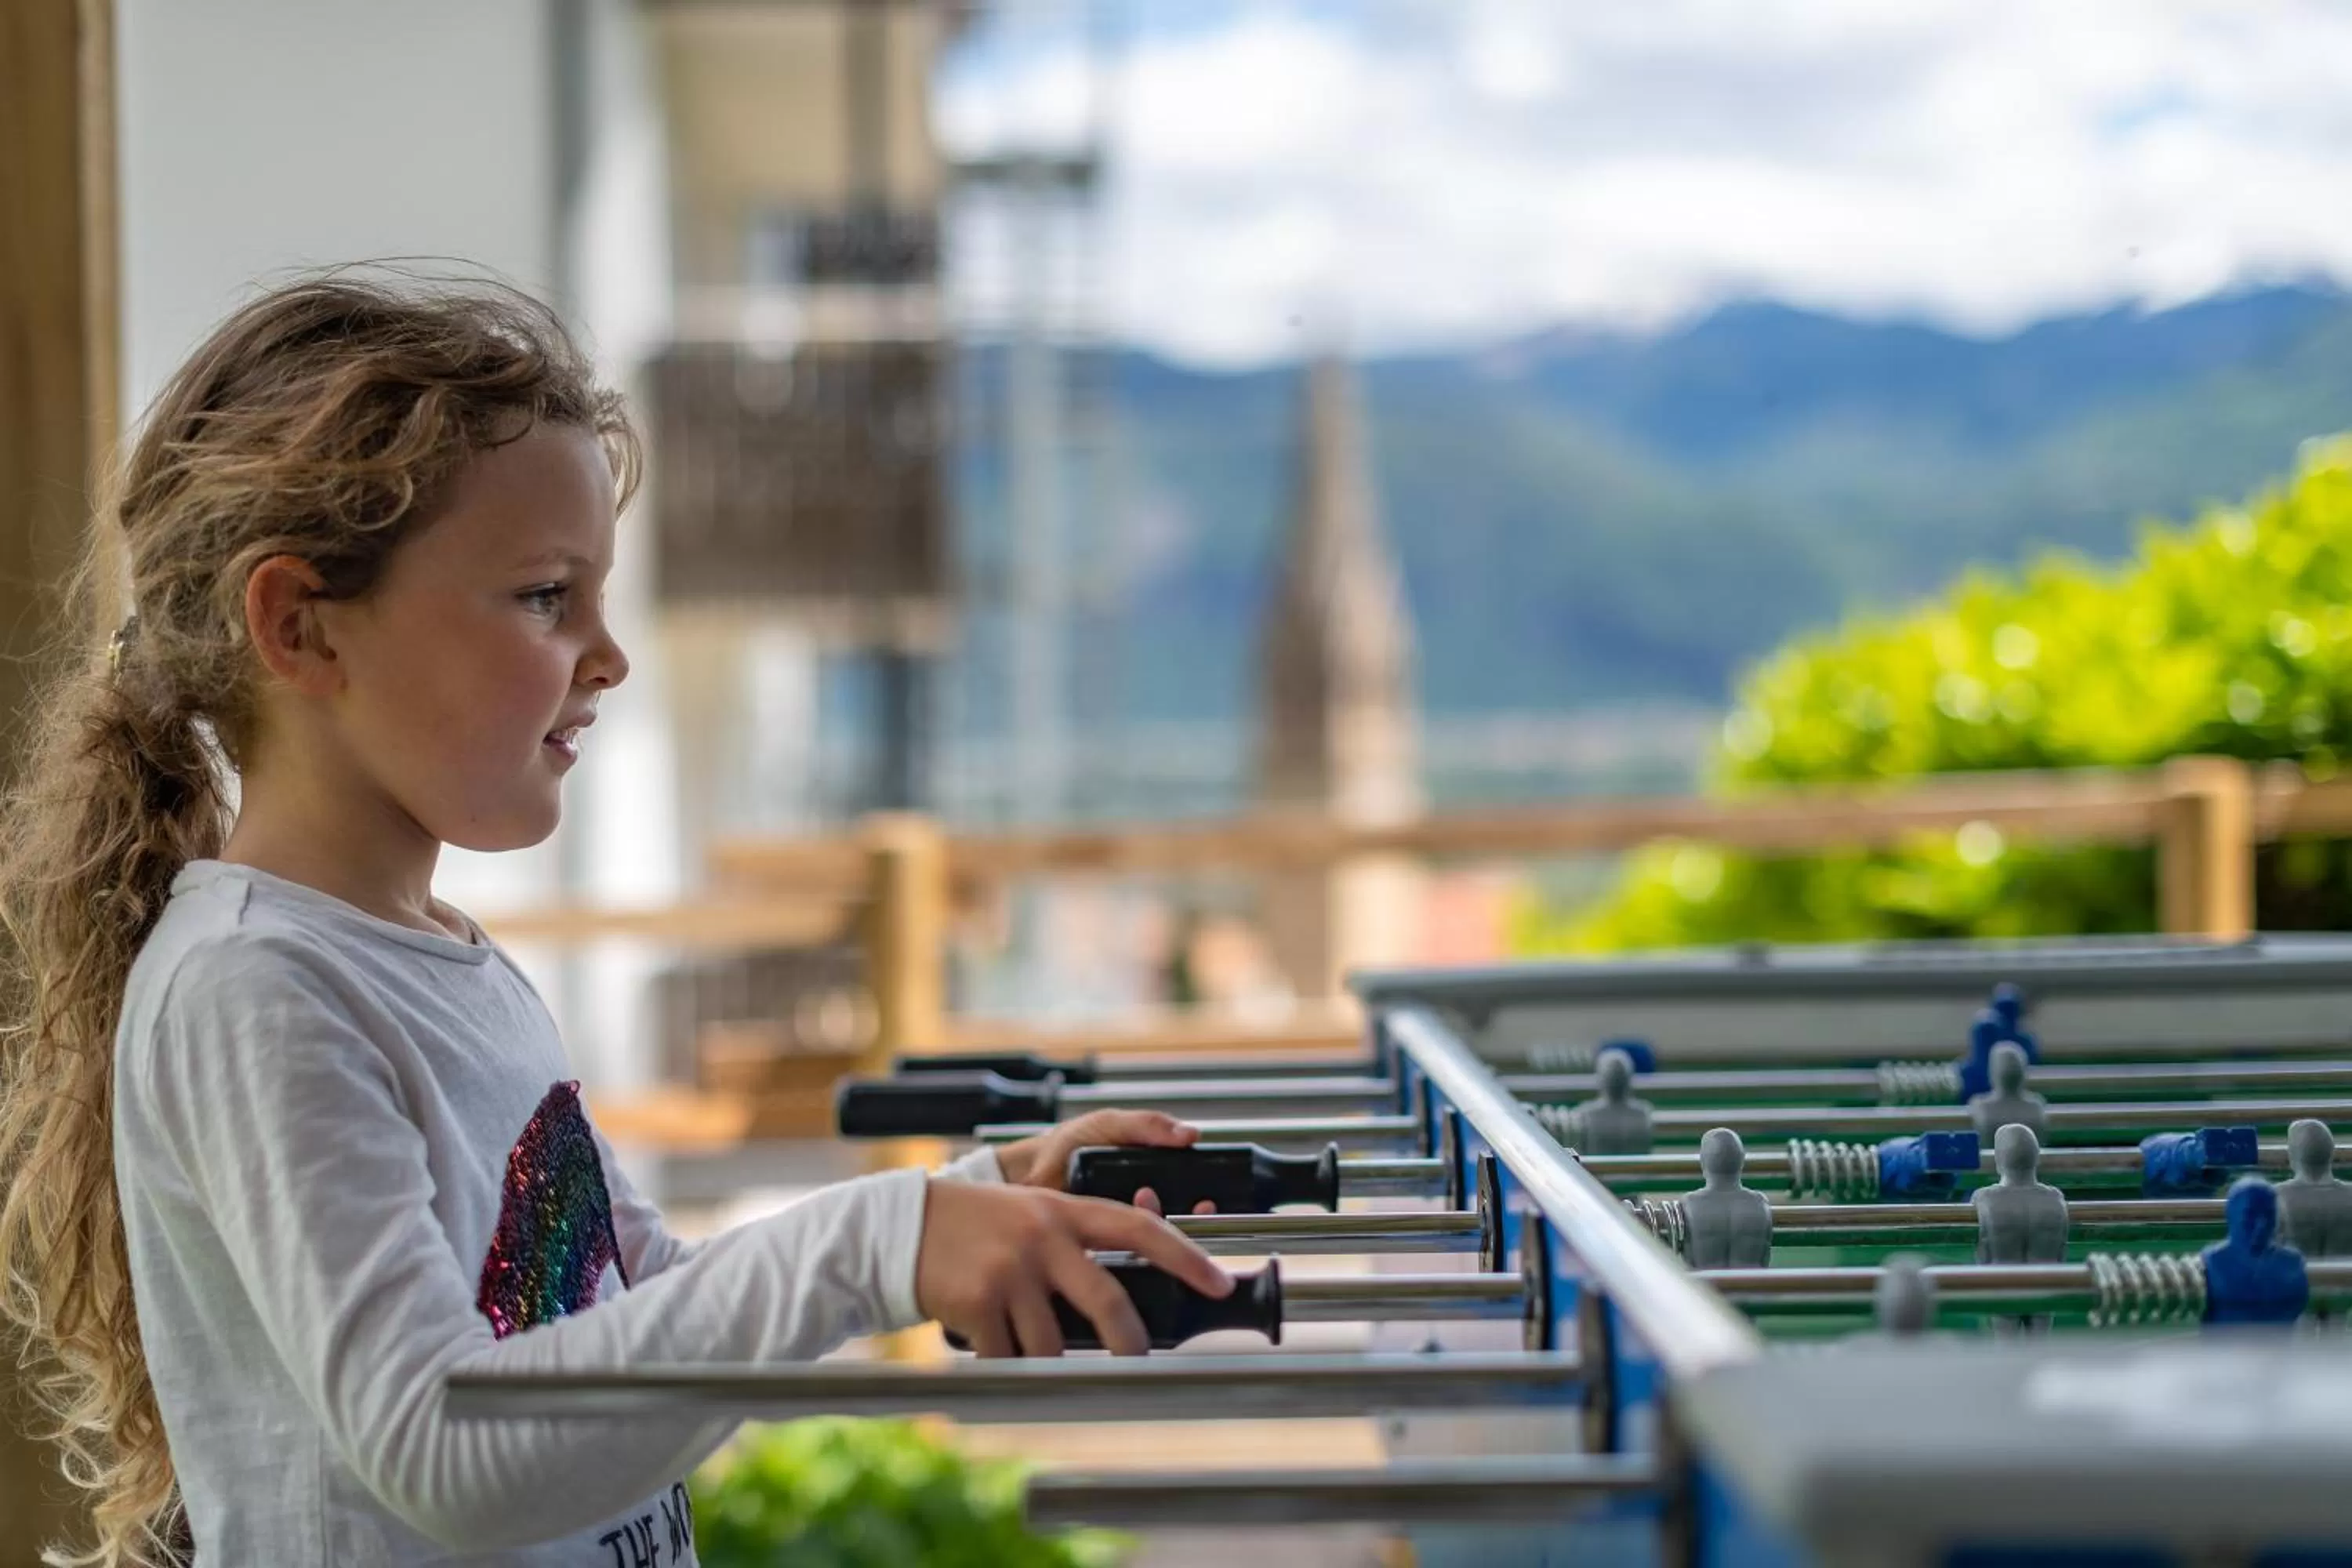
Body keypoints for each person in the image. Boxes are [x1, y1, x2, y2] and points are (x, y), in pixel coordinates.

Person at [0, 271, 1229, 1568]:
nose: (609, 654)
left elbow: (634, 1301)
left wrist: (962, 1209)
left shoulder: (450, 963)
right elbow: (443, 1449)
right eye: (544, 597)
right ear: (302, 625)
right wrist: (878, 1243)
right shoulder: (255, 987)